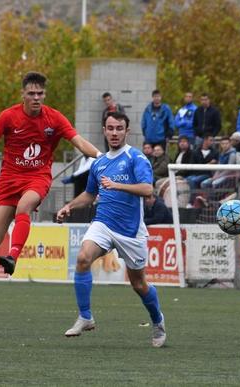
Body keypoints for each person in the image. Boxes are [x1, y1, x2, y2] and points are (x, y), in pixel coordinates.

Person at [0, 72, 101, 275]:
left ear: (44, 94)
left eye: (40, 93)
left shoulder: (54, 118)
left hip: (37, 178)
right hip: (9, 181)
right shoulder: (8, 117)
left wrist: (102, 156)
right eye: (31, 93)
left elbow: (80, 143)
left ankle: (13, 256)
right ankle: (19, 224)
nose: (36, 97)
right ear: (23, 94)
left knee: (24, 207)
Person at [55, 112, 166, 347]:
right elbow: (90, 194)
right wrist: (70, 206)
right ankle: (85, 316)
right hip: (103, 222)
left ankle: (157, 320)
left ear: (127, 131)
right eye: (110, 128)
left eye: (119, 128)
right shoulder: (100, 163)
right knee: (83, 258)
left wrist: (117, 185)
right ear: (104, 131)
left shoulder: (136, 158)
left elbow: (148, 190)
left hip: (130, 230)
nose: (114, 133)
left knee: (139, 284)